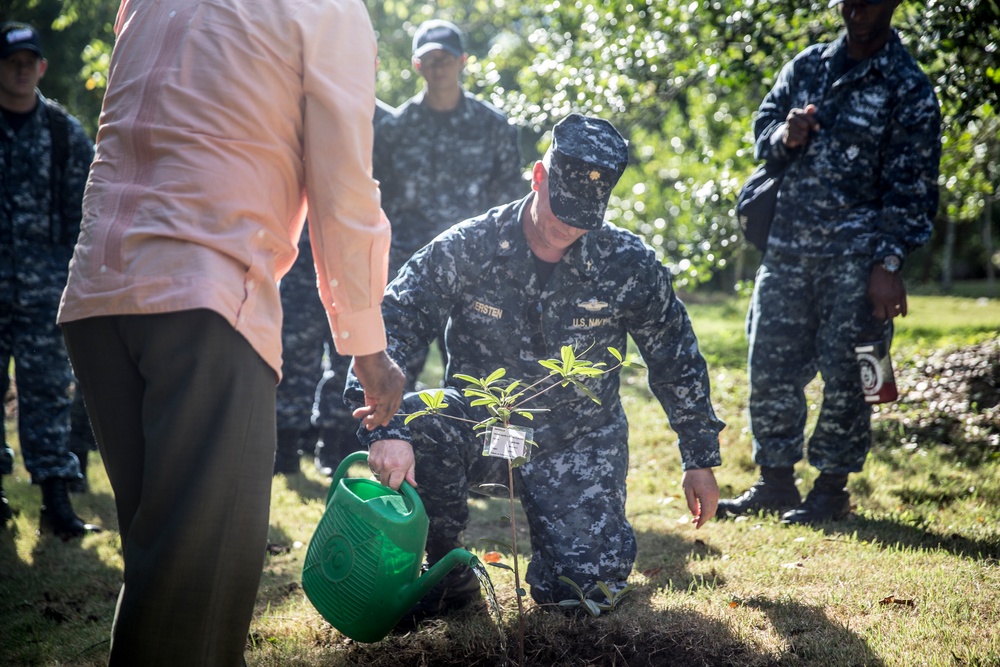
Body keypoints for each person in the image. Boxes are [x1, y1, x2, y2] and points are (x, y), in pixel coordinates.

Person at [56, 1, 405, 665]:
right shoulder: (326, 9)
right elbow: (344, 189)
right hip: (204, 303)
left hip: (97, 300)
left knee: (164, 571)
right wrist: (369, 349)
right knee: (199, 587)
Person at [348, 113, 724, 621]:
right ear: (538, 176)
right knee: (420, 421)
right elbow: (396, 322)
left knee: (583, 594)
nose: (567, 226)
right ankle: (444, 575)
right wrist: (384, 426)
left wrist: (698, 456)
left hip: (577, 439)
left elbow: (674, 353)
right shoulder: (470, 245)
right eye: (561, 207)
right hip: (482, 425)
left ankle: (568, 570)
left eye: (583, 216)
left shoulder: (626, 263)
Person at [717, 0, 941, 524]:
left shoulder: (908, 86)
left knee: (853, 373)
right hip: (788, 248)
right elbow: (763, 128)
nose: (858, 6)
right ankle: (775, 483)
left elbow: (913, 186)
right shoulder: (808, 66)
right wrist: (783, 135)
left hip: (858, 257)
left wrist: (888, 262)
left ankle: (832, 490)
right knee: (768, 364)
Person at [374, 18, 524, 386]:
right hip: (407, 267)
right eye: (431, 59)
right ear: (417, 65)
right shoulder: (395, 129)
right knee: (396, 369)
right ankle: (393, 442)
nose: (439, 67)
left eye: (447, 58)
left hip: (475, 268)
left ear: (463, 61)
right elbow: (378, 199)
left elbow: (510, 200)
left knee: (477, 378)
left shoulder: (493, 126)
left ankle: (465, 445)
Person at [0, 21, 99, 538]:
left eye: (28, 61)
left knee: (46, 394)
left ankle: (56, 504)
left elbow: (91, 211)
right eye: (11, 60)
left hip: (44, 294)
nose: (20, 69)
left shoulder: (62, 132)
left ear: (41, 67)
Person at [274, 98, 396, 477]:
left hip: (353, 258)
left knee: (350, 357)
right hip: (300, 255)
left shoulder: (389, 125)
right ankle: (285, 446)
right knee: (293, 352)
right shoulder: (302, 109)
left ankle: (334, 444)